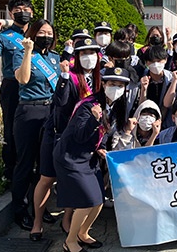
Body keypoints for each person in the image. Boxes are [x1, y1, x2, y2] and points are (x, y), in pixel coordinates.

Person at [30, 37, 101, 240]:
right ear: (76, 57)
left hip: (80, 138)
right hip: (57, 134)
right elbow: (60, 101)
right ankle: (37, 222)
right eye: (84, 53)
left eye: (92, 53)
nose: (89, 58)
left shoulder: (98, 80)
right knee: (47, 178)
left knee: (73, 179)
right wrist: (63, 76)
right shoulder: (70, 76)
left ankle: (67, 219)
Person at [54, 67, 130, 252]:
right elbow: (79, 135)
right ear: (103, 84)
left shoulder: (113, 106)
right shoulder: (89, 105)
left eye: (120, 85)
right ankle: (70, 240)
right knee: (87, 200)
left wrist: (101, 148)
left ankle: (83, 233)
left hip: (89, 158)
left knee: (98, 200)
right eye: (112, 84)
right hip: (71, 157)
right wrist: (94, 119)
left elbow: (104, 134)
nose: (116, 88)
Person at [11, 19, 60, 231]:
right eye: (41, 32)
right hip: (29, 111)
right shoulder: (21, 53)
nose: (46, 36)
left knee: (44, 166)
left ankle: (39, 208)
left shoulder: (55, 58)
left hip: (50, 112)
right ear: (32, 33)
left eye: (49, 33)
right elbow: (22, 79)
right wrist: (28, 53)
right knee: (25, 162)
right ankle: (20, 210)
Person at [0, 0, 32, 183]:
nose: (23, 12)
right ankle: (11, 172)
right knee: (11, 129)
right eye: (18, 9)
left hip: (34, 87)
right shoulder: (5, 36)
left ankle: (31, 167)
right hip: (12, 87)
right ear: (11, 13)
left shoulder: (37, 34)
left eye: (27, 9)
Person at [138, 45, 172, 119]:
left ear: (165, 60)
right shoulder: (140, 78)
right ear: (146, 63)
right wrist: (143, 89)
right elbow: (140, 105)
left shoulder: (171, 79)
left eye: (159, 61)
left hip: (167, 121)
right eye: (152, 61)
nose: (156, 64)